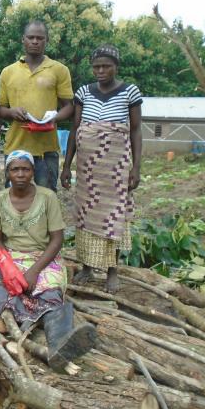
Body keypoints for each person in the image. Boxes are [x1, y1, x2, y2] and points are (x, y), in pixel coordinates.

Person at [0, 151, 96, 370]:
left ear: (33, 171)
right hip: (11, 257)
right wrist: (7, 266)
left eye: (26, 169)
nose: (21, 174)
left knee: (50, 289)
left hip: (41, 258)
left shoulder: (47, 197)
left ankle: (59, 343)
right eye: (15, 169)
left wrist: (33, 271)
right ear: (8, 173)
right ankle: (28, 313)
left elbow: (56, 240)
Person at [60, 45, 142, 294]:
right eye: (96, 67)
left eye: (106, 66)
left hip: (116, 168)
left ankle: (112, 270)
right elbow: (75, 129)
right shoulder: (84, 92)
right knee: (85, 217)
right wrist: (66, 166)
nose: (101, 71)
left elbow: (136, 130)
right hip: (87, 169)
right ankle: (86, 266)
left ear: (116, 66)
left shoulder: (130, 92)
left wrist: (136, 167)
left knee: (113, 217)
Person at [0, 21, 74, 191]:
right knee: (13, 199)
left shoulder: (59, 70)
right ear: (23, 40)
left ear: (46, 41)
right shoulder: (8, 72)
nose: (35, 41)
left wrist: (54, 118)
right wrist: (11, 112)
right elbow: (0, 108)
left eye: (40, 38)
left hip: (46, 150)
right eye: (31, 37)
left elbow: (69, 107)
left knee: (45, 198)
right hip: (16, 148)